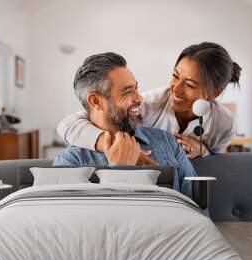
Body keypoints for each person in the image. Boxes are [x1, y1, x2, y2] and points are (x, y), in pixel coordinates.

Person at [57, 42, 241, 161]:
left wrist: (203, 150)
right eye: (175, 76)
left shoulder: (224, 122)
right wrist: (108, 144)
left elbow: (220, 158)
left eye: (190, 85)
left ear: (215, 92)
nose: (175, 88)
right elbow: (70, 124)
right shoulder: (149, 104)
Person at [53, 52, 196, 197]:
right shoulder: (70, 161)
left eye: (136, 88)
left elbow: (198, 208)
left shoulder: (167, 142)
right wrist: (119, 170)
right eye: (127, 92)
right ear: (96, 101)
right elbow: (73, 218)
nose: (139, 98)